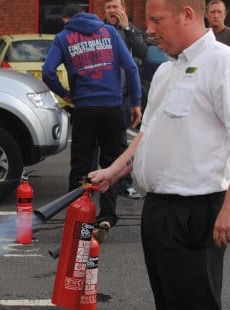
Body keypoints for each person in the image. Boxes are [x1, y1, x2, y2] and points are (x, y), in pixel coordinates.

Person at [89, 0, 230, 310]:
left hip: (197, 210)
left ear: (187, 14)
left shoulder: (226, 65)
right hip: (159, 210)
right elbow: (147, 133)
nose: (149, 30)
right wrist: (115, 169)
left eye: (156, 20)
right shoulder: (170, 70)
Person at [42, 4, 141, 237]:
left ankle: (77, 219)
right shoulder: (109, 32)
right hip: (111, 107)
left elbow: (47, 71)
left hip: (84, 107)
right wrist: (136, 101)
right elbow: (131, 67)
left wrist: (64, 92)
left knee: (81, 165)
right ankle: (106, 217)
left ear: (68, 20)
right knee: (111, 162)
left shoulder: (64, 37)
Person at [103, 0, 147, 199]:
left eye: (115, 7)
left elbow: (142, 52)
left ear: (123, 10)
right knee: (99, 143)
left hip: (123, 96)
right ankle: (100, 181)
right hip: (103, 94)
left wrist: (127, 28)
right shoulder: (99, 31)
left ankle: (125, 184)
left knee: (123, 142)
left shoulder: (131, 31)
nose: (112, 11)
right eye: (108, 7)